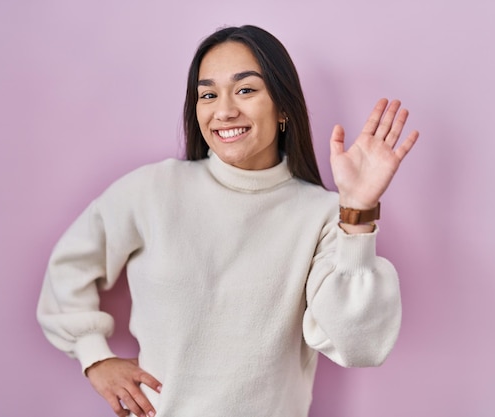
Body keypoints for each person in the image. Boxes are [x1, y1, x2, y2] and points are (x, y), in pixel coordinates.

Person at [37, 25, 419, 417]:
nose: (224, 110)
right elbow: (69, 267)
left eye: (246, 90)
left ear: (283, 107)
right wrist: (94, 356)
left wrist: (356, 211)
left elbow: (359, 346)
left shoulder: (321, 216)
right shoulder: (153, 190)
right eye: (208, 94)